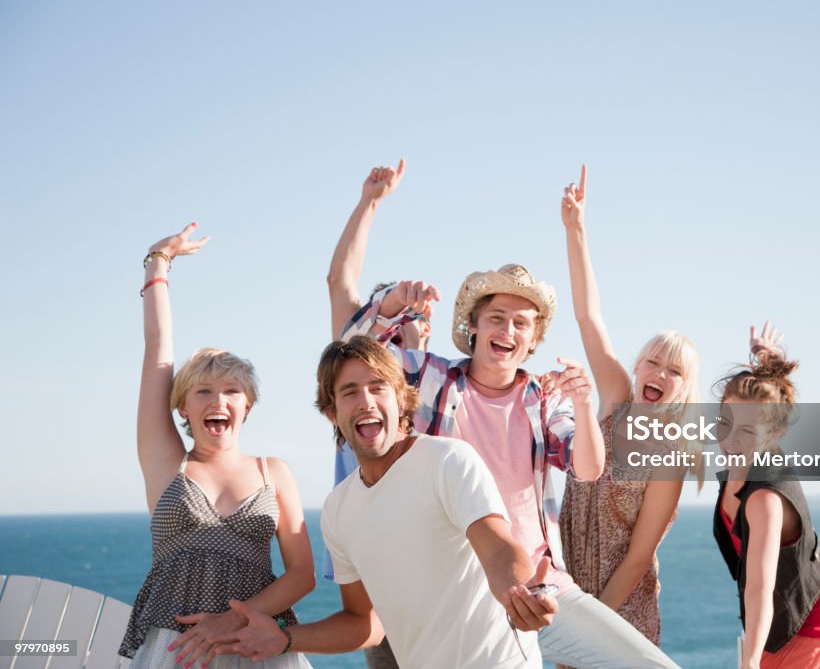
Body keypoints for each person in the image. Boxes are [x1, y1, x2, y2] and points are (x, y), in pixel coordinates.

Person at [341, 262, 681, 667]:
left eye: (522, 323)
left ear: (534, 338)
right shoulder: (429, 378)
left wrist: (584, 404)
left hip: (541, 589)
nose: (507, 331)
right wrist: (393, 301)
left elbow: (587, 468)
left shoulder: (544, 399)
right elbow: (351, 352)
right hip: (457, 596)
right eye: (496, 319)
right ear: (473, 326)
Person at [218, 335, 558, 668]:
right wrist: (285, 637)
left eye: (377, 387)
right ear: (332, 413)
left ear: (400, 399)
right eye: (350, 392)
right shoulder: (338, 509)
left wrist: (518, 594)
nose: (365, 401)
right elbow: (363, 623)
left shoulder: (447, 460)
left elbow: (498, 547)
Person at [121, 224, 315, 669]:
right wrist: (158, 262)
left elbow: (303, 575)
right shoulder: (168, 462)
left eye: (231, 391)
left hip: (254, 644)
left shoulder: (274, 472)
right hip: (177, 652)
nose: (218, 400)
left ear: (247, 406)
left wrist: (230, 621)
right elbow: (158, 351)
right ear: (182, 408)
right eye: (203, 391)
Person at [557, 164, 702, 647]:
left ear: (684, 390)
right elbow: (587, 315)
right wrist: (576, 230)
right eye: (653, 362)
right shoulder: (615, 398)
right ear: (637, 368)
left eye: (674, 371)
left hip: (620, 613)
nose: (660, 373)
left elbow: (639, 557)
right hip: (567, 594)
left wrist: (587, 627)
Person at [324, 159, 428, 669]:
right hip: (369, 549)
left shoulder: (432, 381)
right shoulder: (351, 364)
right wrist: (369, 203)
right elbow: (339, 276)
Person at [713, 322, 820, 669]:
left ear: (771, 433)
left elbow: (760, 588)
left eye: (746, 431)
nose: (730, 440)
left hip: (812, 626)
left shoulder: (764, 500)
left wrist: (749, 662)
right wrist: (764, 356)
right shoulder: (739, 464)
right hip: (777, 622)